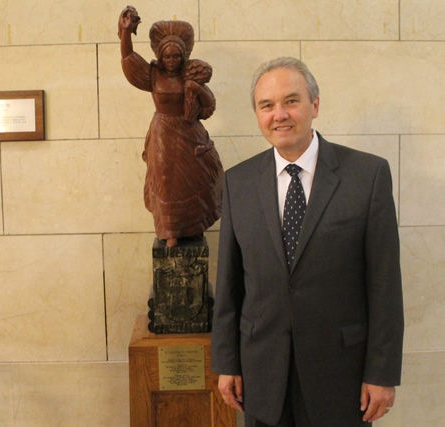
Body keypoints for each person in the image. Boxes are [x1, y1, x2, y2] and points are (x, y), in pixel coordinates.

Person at [211, 57, 404, 427]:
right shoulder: (238, 182)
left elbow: (384, 286)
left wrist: (382, 372)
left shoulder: (368, 176)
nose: (279, 114)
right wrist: (226, 363)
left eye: (291, 101)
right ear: (257, 115)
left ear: (315, 106)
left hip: (341, 378)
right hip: (261, 377)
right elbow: (229, 285)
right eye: (266, 105)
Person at [118, 6, 224, 247]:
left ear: (183, 55)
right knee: (166, 183)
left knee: (197, 178)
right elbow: (128, 61)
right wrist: (125, 33)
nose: (172, 61)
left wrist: (196, 89)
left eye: (176, 56)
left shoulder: (190, 76)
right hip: (163, 134)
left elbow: (208, 106)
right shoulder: (153, 75)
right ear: (160, 56)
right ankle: (170, 231)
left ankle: (193, 224)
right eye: (167, 56)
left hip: (190, 133)